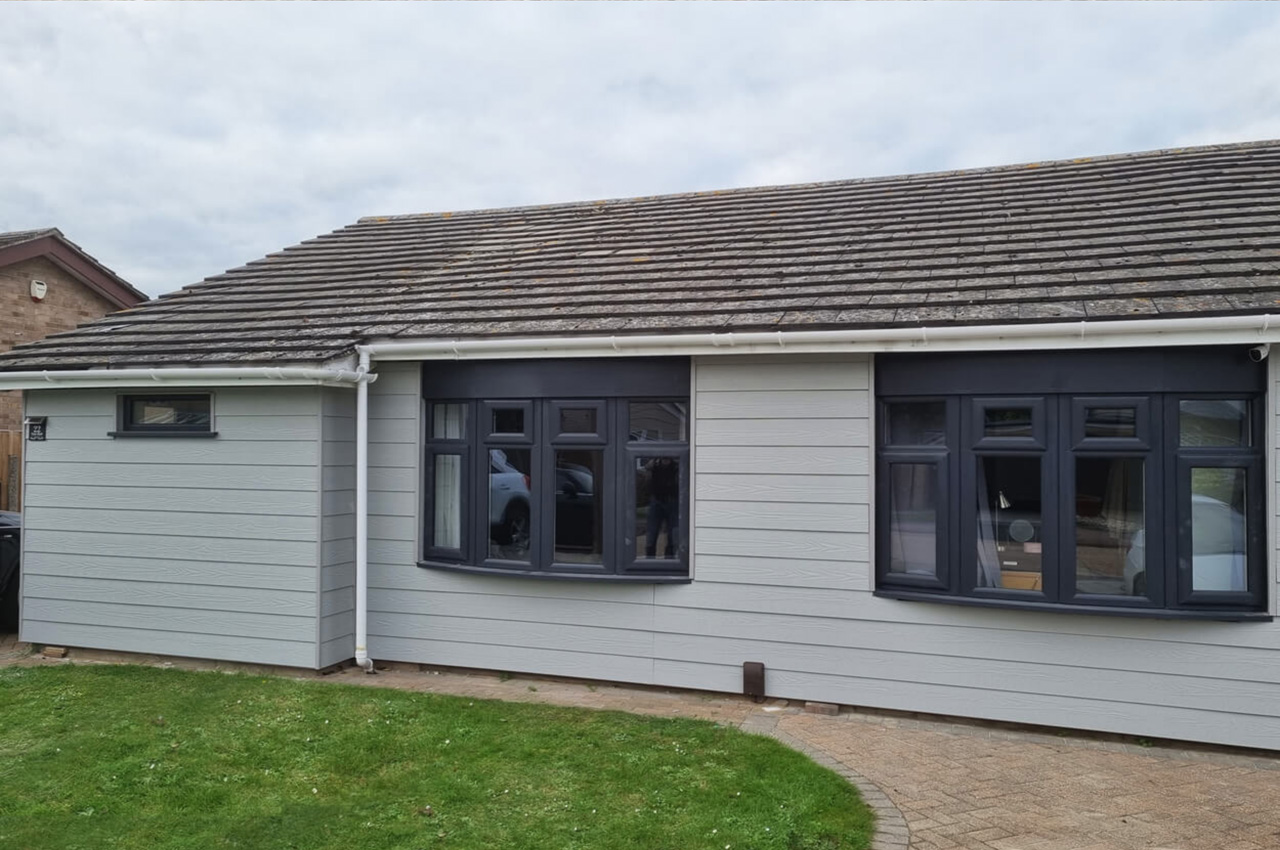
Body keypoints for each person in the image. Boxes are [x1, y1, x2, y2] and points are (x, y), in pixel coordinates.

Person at [645, 457, 679, 558]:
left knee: (672, 533)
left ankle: (670, 558)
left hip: (672, 501)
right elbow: (646, 483)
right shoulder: (653, 466)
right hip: (657, 500)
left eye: (667, 457)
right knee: (652, 531)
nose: (665, 459)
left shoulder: (676, 467)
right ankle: (650, 559)